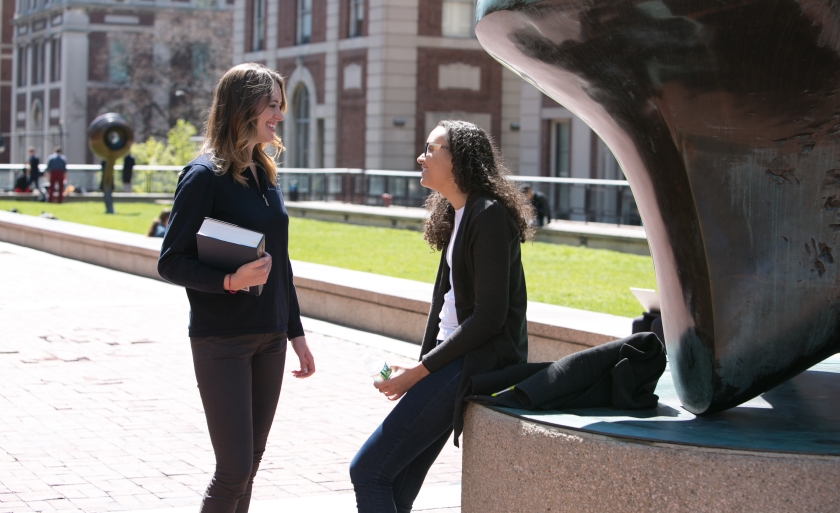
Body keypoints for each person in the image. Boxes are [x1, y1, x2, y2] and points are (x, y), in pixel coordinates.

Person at [349, 120, 534, 513]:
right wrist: (422, 364)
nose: (421, 156)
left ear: (459, 160)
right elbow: (448, 308)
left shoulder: (489, 215)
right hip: (451, 359)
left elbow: (489, 318)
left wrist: (419, 373)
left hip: (474, 362)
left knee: (367, 471)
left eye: (431, 149)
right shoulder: (459, 213)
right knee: (394, 484)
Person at [157, 63, 316, 513]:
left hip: (270, 338)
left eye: (280, 107)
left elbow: (279, 262)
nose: (279, 116)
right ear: (243, 107)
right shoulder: (203, 176)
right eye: (272, 106)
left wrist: (296, 333)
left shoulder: (264, 173)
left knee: (251, 464)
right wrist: (229, 280)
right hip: (220, 340)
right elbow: (170, 262)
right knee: (233, 468)